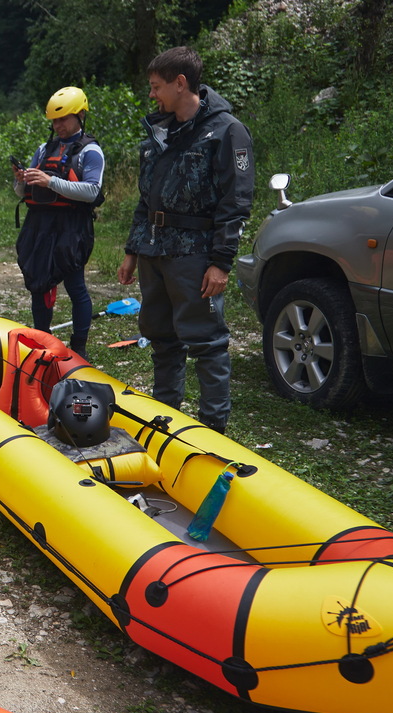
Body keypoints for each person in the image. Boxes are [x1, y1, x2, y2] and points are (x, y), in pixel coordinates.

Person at [116, 47, 252, 434]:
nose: (151, 94)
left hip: (195, 254)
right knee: (161, 337)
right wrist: (132, 250)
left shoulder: (227, 131)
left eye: (156, 86)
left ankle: (213, 430)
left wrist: (220, 262)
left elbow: (236, 202)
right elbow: (146, 198)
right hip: (154, 251)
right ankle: (165, 419)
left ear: (180, 83)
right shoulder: (160, 132)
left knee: (206, 343)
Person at [13, 87, 105, 360]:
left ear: (80, 116)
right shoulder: (44, 149)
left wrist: (50, 181)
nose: (58, 125)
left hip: (72, 226)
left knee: (75, 286)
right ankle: (42, 342)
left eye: (63, 119)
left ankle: (79, 347)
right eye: (54, 120)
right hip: (40, 225)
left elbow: (92, 191)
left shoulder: (91, 152)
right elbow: (21, 193)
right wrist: (21, 181)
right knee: (39, 284)